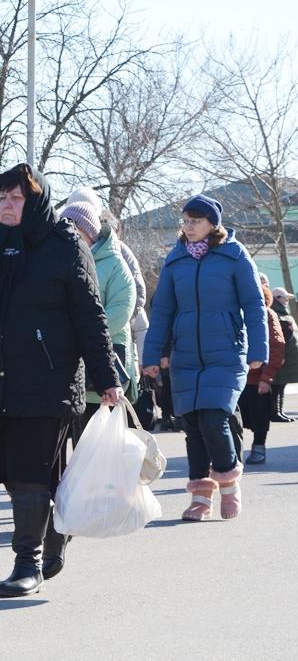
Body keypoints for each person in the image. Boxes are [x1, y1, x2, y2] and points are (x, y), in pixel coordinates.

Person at [0, 163, 121, 598]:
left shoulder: (64, 245)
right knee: (7, 471)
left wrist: (107, 378)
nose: (7, 205)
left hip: (48, 381)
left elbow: (90, 316)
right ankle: (55, 529)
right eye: (2, 198)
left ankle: (27, 562)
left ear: (37, 202)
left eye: (16, 198)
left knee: (28, 474)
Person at [142, 195, 267, 522]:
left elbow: (255, 306)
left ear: (213, 223)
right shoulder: (176, 260)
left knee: (213, 417)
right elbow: (163, 312)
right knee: (193, 424)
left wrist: (258, 350)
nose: (188, 227)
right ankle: (200, 497)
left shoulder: (234, 256)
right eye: (185, 221)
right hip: (186, 355)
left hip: (226, 352)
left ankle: (228, 483)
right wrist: (152, 355)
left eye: (195, 221)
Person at [58, 201, 136, 440]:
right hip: (70, 360)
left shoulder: (115, 264)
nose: (67, 234)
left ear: (89, 232)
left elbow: (121, 310)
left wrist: (82, 337)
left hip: (105, 357)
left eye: (74, 229)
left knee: (101, 440)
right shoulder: (61, 261)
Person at [67, 187, 149, 361]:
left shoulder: (119, 254)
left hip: (111, 343)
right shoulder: (60, 256)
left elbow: (133, 299)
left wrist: (88, 332)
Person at [236, 283, 284, 465]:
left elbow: (276, 347)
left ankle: (259, 447)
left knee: (259, 417)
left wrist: (267, 378)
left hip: (257, 379)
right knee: (234, 418)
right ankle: (233, 453)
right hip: (236, 377)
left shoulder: (268, 315)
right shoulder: (234, 312)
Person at [269, 287, 298, 422]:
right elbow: (280, 338)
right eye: (285, 298)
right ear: (277, 299)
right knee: (277, 385)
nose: (287, 301)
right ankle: (275, 413)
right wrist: (280, 356)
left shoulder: (283, 313)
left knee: (281, 385)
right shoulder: (276, 314)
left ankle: (279, 411)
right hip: (281, 357)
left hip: (287, 358)